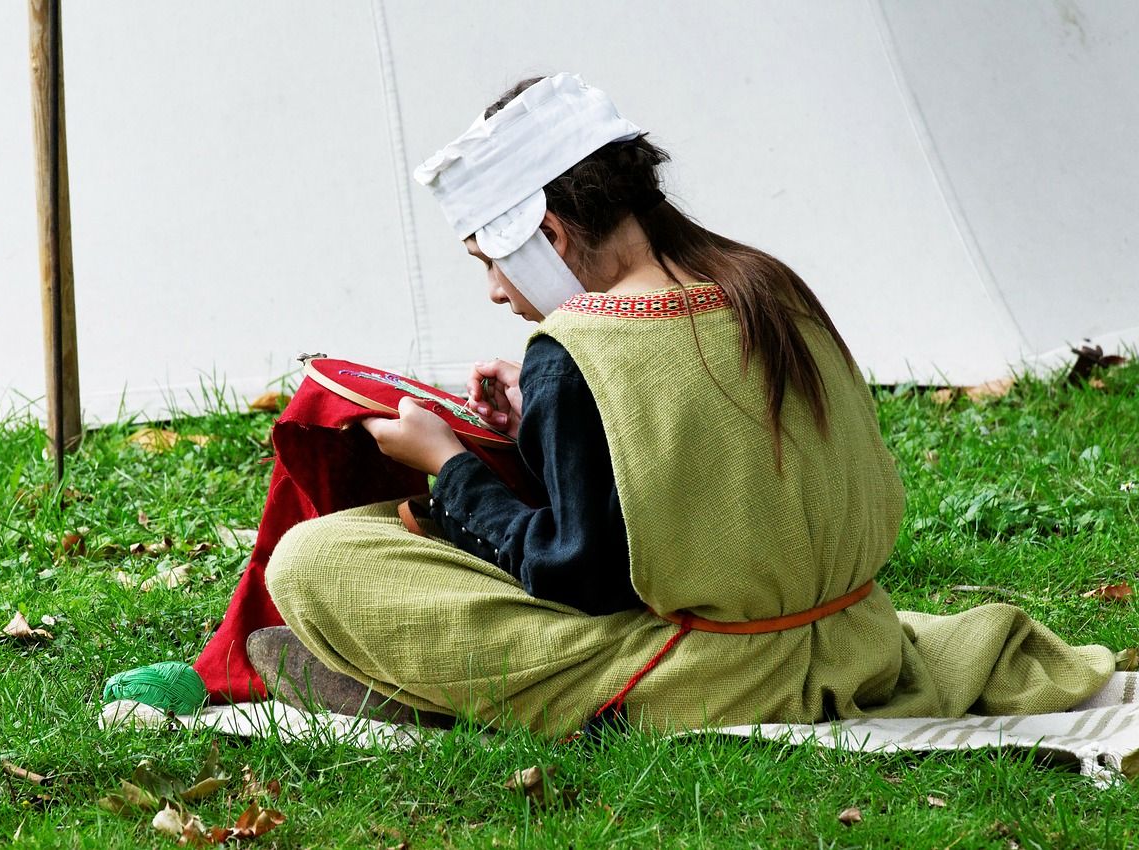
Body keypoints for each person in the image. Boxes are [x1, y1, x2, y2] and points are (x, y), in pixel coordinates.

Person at [249, 73, 1117, 736]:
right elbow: (698, 468)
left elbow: (577, 576)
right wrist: (542, 429)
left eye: (489, 260)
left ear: (547, 234)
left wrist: (450, 463)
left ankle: (429, 687)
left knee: (319, 560)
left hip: (712, 668)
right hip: (855, 632)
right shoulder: (762, 282)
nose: (493, 292)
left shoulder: (581, 348)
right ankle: (410, 673)